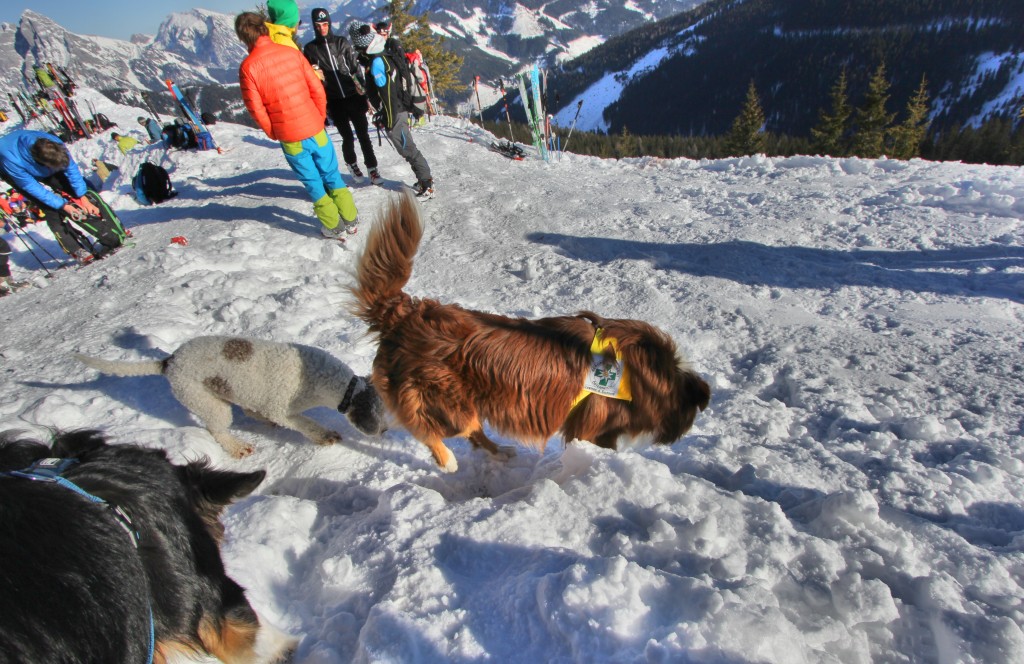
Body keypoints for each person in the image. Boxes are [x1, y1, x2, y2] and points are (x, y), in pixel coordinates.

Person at [235, 11, 358, 239]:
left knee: (312, 181)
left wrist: (273, 131)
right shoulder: (290, 52)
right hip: (315, 127)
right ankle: (351, 218)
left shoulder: (248, 68)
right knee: (331, 173)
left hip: (290, 137)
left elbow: (256, 108)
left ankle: (333, 226)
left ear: (244, 37)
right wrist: (318, 115)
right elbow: (316, 88)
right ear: (264, 27)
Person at [0, 130, 126, 262]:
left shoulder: (53, 143)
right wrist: (63, 205)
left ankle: (114, 230)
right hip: (11, 169)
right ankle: (76, 250)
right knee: (50, 208)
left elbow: (71, 170)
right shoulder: (11, 161)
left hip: (40, 158)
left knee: (82, 192)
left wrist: (82, 195)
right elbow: (33, 188)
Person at [350, 22, 434, 199]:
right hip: (399, 110)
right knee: (408, 149)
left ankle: (427, 184)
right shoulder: (383, 53)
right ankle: (423, 181)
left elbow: (387, 96)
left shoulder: (377, 63)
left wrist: (387, 118)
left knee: (408, 149)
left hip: (395, 113)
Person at [303, 7, 379, 184]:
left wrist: (365, 94)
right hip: (334, 99)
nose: (322, 28)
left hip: (353, 95)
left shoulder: (341, 42)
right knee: (347, 137)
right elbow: (310, 80)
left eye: (325, 24)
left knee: (363, 135)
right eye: (318, 25)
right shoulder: (310, 49)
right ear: (313, 26)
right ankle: (352, 163)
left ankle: (373, 169)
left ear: (329, 23)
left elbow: (354, 69)